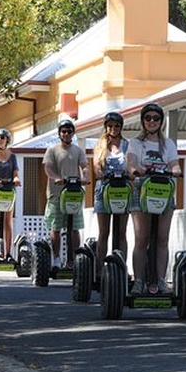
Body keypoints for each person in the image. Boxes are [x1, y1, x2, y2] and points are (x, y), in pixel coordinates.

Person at [127, 103, 182, 294]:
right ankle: (139, 281)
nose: (152, 121)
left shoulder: (168, 144)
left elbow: (174, 164)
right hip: (142, 189)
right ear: (143, 121)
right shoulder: (135, 143)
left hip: (163, 190)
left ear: (161, 121)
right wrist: (135, 170)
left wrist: (176, 170)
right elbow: (131, 163)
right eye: (148, 118)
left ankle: (160, 281)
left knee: (162, 239)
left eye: (156, 118)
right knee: (141, 239)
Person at [43, 119, 88, 269]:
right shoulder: (52, 149)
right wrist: (56, 178)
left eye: (69, 131)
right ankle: (56, 258)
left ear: (73, 133)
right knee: (56, 228)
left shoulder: (78, 150)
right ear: (59, 133)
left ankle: (73, 260)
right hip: (56, 195)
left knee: (75, 229)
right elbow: (48, 168)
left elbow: (84, 166)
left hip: (73, 194)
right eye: (64, 131)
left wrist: (85, 176)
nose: (67, 134)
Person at [92, 111, 129, 275]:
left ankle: (121, 266)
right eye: (110, 126)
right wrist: (101, 173)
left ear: (121, 127)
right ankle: (99, 270)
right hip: (104, 189)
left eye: (117, 126)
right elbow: (96, 167)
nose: (113, 128)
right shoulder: (100, 146)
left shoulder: (128, 145)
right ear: (106, 127)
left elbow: (132, 163)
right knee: (104, 232)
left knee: (121, 232)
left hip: (122, 189)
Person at [0, 128, 21, 260]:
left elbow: (15, 174)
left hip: (8, 192)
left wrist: (16, 180)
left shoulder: (12, 157)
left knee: (7, 223)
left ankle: (8, 253)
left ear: (7, 140)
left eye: (2, 138)